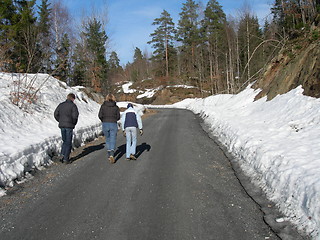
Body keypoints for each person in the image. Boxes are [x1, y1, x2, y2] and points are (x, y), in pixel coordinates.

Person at [54, 93, 79, 164]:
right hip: (69, 125)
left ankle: (62, 155)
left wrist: (60, 120)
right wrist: (73, 123)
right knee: (68, 142)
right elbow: (75, 116)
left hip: (62, 125)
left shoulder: (61, 105)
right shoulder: (73, 106)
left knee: (64, 140)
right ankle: (66, 158)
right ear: (73, 98)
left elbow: (55, 114)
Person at [98, 94, 120, 163]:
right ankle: (112, 154)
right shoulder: (116, 107)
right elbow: (118, 116)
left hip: (105, 123)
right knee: (113, 138)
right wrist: (115, 119)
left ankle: (109, 152)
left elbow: (100, 115)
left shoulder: (103, 106)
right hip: (113, 123)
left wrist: (103, 120)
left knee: (107, 139)